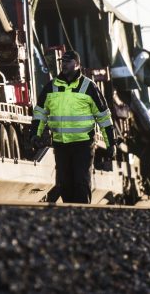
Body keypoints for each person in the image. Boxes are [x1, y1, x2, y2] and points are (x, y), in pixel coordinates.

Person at [30, 50, 115, 204]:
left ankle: (82, 214)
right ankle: (70, 214)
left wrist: (111, 143)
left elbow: (103, 117)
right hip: (61, 144)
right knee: (65, 184)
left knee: (81, 182)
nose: (64, 65)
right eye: (62, 61)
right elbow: (40, 113)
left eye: (68, 62)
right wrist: (35, 134)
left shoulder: (89, 87)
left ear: (77, 65)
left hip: (83, 144)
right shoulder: (52, 86)